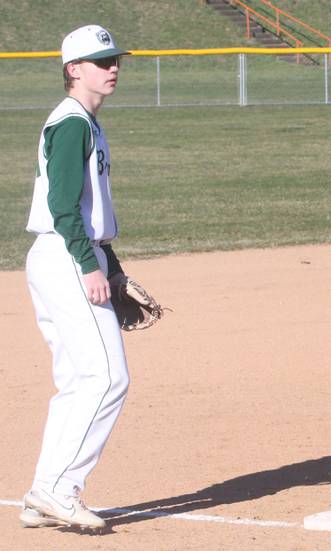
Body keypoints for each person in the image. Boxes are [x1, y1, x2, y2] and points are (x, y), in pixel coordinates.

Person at [20, 25, 131, 530]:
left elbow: (86, 208)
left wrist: (112, 262)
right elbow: (64, 206)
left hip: (62, 255)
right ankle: (58, 488)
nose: (112, 67)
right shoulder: (72, 123)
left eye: (115, 60)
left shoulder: (84, 121)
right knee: (107, 377)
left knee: (76, 381)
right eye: (101, 60)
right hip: (68, 257)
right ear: (73, 69)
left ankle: (41, 494)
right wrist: (91, 264)